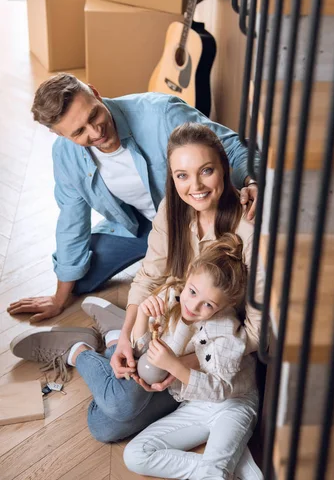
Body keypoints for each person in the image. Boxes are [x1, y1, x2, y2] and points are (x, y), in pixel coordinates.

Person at [10, 123, 263, 449]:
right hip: (164, 324)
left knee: (104, 426)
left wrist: (184, 366)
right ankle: (107, 340)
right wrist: (130, 337)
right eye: (182, 175)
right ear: (172, 177)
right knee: (120, 402)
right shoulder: (172, 210)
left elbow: (258, 331)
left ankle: (82, 350)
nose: (195, 186)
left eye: (207, 171)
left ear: (225, 169)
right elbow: (148, 277)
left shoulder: (251, 227)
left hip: (214, 350)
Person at [7, 74, 259, 323]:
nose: (96, 132)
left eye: (94, 115)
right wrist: (59, 299)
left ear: (95, 92)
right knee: (78, 280)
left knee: (213, 287)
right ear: (61, 135)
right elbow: (71, 221)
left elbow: (234, 148)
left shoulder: (162, 113)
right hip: (139, 225)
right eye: (79, 132)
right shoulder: (65, 155)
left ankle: (169, 266)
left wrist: (253, 181)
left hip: (193, 216)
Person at [123, 234, 263, 480]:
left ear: (224, 307)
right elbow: (142, 350)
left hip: (233, 403)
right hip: (194, 406)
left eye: (208, 305)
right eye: (193, 291)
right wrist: (143, 315)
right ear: (188, 276)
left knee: (213, 472)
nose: (194, 306)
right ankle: (229, 467)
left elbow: (220, 389)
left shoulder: (227, 332)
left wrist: (175, 367)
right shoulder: (170, 299)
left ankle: (221, 465)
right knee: (135, 454)